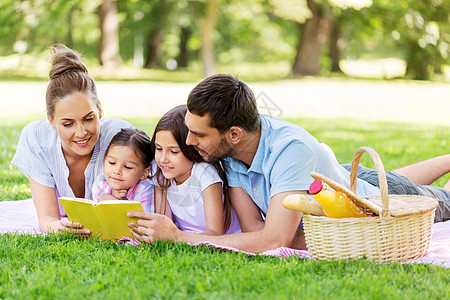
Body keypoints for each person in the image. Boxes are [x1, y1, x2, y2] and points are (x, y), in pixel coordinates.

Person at [128, 74, 450, 253]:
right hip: (342, 179)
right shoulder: (231, 153)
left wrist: (178, 236)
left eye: (198, 134)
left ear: (234, 133)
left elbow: (271, 240)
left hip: (372, 198)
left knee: (441, 201)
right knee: (392, 177)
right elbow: (255, 228)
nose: (189, 142)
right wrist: (285, 232)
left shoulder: (289, 149)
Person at [11, 44, 134, 234]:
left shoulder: (121, 136)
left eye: (88, 119)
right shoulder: (37, 138)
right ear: (51, 121)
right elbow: (47, 219)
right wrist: (59, 227)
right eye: (68, 124)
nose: (81, 132)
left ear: (100, 110)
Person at [150, 105, 240, 235]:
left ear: (192, 149)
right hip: (186, 237)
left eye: (174, 152)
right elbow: (164, 223)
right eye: (158, 149)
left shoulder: (204, 173)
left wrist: (178, 238)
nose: (163, 159)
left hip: (225, 238)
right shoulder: (161, 175)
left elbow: (215, 232)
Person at [91, 128, 154, 213]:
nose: (117, 171)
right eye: (112, 163)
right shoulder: (100, 183)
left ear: (144, 173)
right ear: (105, 160)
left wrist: (115, 202)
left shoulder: (145, 188)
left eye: (127, 167)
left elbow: (142, 221)